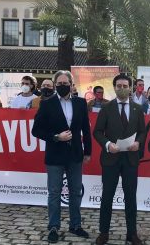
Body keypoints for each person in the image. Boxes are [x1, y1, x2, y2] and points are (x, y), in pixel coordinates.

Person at [32, 70, 92, 243]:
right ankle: (53, 227)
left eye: (66, 83)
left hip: (75, 155)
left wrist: (87, 151)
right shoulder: (47, 104)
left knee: (75, 192)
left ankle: (75, 225)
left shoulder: (81, 103)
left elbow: (86, 130)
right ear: (55, 84)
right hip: (55, 155)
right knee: (54, 192)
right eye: (60, 83)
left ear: (72, 84)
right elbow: (36, 130)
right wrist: (56, 137)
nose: (63, 86)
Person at [93, 74, 146, 245]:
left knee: (131, 197)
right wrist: (108, 144)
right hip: (111, 159)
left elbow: (142, 131)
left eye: (125, 86)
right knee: (107, 196)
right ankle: (104, 232)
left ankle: (132, 233)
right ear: (114, 87)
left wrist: (138, 142)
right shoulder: (106, 108)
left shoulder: (138, 109)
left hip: (130, 159)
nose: (122, 88)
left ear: (130, 88)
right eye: (119, 86)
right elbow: (98, 132)